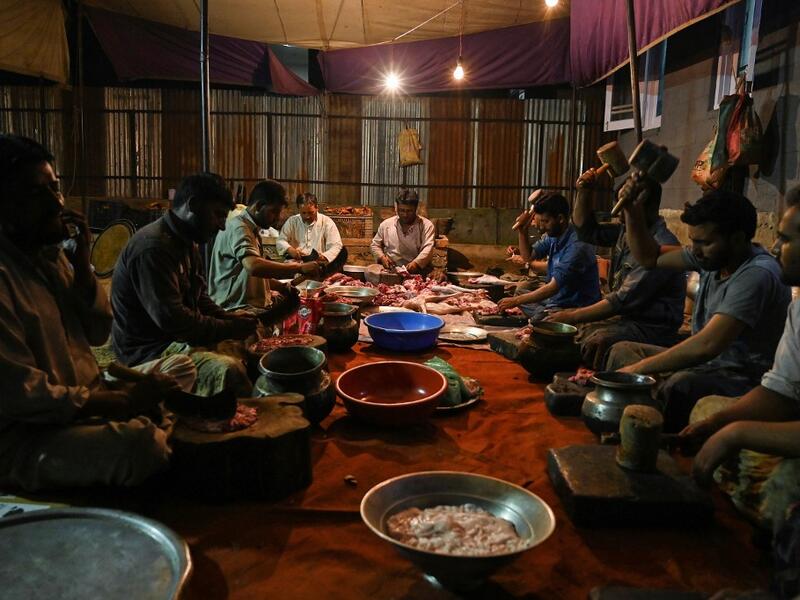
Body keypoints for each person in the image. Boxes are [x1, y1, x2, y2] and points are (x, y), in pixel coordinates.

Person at [0, 134, 196, 491]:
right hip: (30, 436)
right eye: (35, 193)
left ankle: (148, 427)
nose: (55, 203)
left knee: (177, 376)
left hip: (88, 395)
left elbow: (97, 332)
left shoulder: (51, 258)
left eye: (55, 188)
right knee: (142, 444)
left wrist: (81, 263)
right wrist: (117, 402)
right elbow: (23, 396)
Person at [607, 184, 791, 432]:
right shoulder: (713, 255)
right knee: (622, 350)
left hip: (742, 379)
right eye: (693, 241)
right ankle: (623, 419)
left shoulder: (756, 274)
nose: (695, 250)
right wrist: (631, 210)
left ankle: (657, 443)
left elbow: (707, 346)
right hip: (709, 366)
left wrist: (637, 370)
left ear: (737, 239)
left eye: (704, 242)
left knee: (681, 385)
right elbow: (649, 257)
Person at [679, 187, 800, 530]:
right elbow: (781, 393)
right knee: (706, 412)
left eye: (787, 239)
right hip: (769, 402)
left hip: (740, 373)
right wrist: (718, 426)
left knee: (786, 484)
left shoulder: (759, 273)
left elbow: (707, 347)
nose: (776, 248)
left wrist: (736, 434)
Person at [112, 172, 258, 397]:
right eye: (218, 215)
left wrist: (228, 318)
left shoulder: (186, 243)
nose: (221, 226)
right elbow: (174, 320)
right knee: (229, 371)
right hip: (150, 352)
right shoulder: (153, 249)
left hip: (176, 339)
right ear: (193, 205)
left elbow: (200, 298)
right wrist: (228, 328)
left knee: (249, 347)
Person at [552, 169, 686, 369]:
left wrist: (572, 315)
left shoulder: (662, 245)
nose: (618, 214)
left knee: (596, 340)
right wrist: (584, 192)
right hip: (625, 319)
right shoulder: (626, 232)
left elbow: (622, 300)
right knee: (572, 330)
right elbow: (586, 231)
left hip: (652, 327)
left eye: (624, 206)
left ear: (641, 206)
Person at [208, 180, 318, 311]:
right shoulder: (239, 228)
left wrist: (282, 287)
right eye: (274, 212)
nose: (277, 218)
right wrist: (299, 268)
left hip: (249, 308)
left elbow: (252, 278)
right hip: (236, 311)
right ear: (259, 206)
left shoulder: (252, 229)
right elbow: (253, 266)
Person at [497, 192, 601, 320]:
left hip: (575, 306)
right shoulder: (554, 236)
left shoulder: (577, 246)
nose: (540, 228)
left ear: (560, 219)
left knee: (537, 316)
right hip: (556, 300)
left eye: (545, 222)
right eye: (540, 221)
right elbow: (528, 257)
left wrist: (515, 301)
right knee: (520, 292)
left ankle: (546, 314)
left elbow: (552, 288)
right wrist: (522, 231)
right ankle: (545, 312)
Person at [276, 192, 347, 277]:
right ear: (299, 209)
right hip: (296, 263)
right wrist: (290, 249)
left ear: (317, 208)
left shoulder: (327, 222)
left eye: (310, 213)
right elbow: (281, 240)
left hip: (318, 264)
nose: (307, 216)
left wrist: (324, 256)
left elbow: (337, 245)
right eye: (303, 213)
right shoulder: (292, 221)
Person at [370, 188, 435, 275]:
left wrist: (416, 263)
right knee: (369, 271)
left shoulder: (426, 225)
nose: (405, 215)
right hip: (391, 270)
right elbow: (375, 245)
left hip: (418, 270)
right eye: (401, 210)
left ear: (416, 209)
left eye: (409, 211)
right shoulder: (386, 225)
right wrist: (382, 258)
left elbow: (428, 249)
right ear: (396, 207)